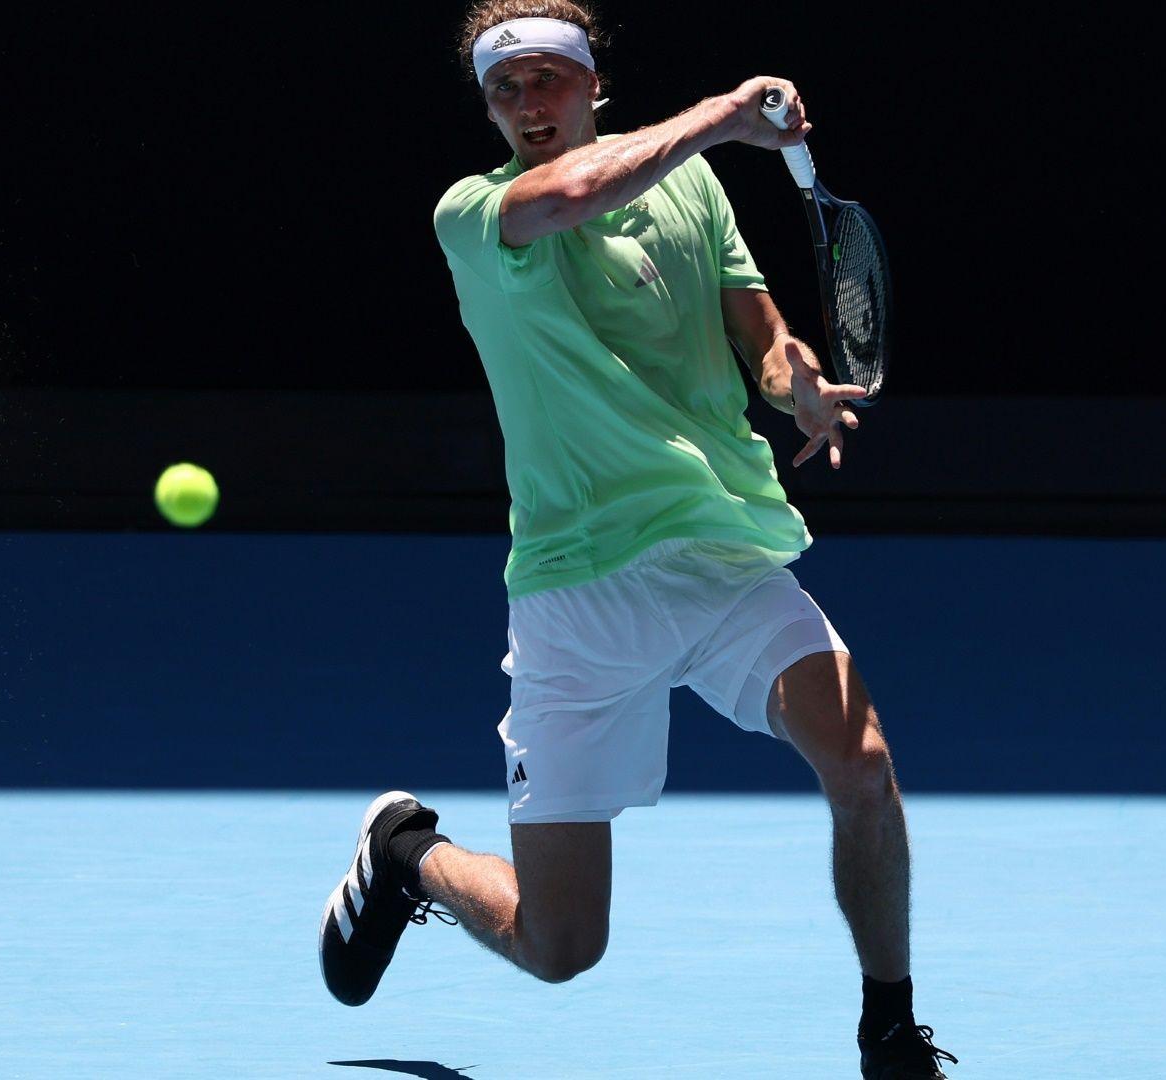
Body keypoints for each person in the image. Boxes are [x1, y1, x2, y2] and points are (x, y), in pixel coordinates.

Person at [318, 3, 954, 1076]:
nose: (528, 105)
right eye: (505, 89)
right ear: (488, 108)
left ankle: (888, 1027)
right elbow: (576, 193)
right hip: (576, 593)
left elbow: (753, 326)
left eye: (547, 80)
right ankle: (406, 856)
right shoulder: (473, 213)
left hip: (718, 555)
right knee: (561, 947)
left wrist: (791, 380)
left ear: (591, 85)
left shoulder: (694, 190)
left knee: (864, 765)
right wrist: (721, 116)